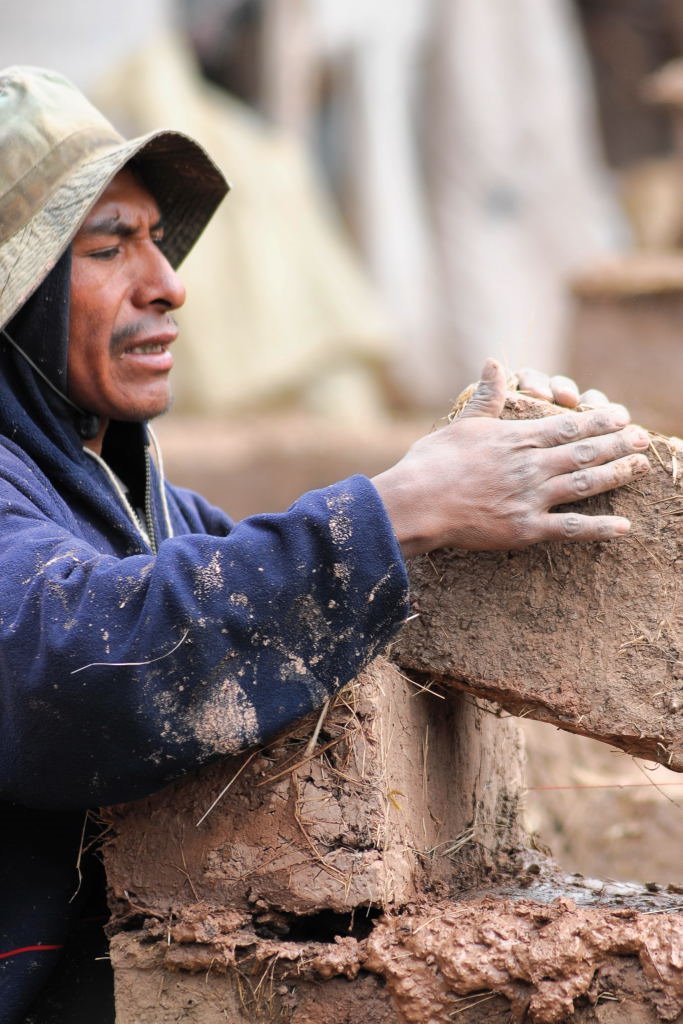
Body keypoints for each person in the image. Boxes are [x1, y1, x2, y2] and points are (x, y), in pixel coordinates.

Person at [0, 66, 650, 1023]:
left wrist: (478, 487)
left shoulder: (120, 487)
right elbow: (71, 666)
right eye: (109, 248)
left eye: (157, 242)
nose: (167, 284)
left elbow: (247, 580)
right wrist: (396, 508)